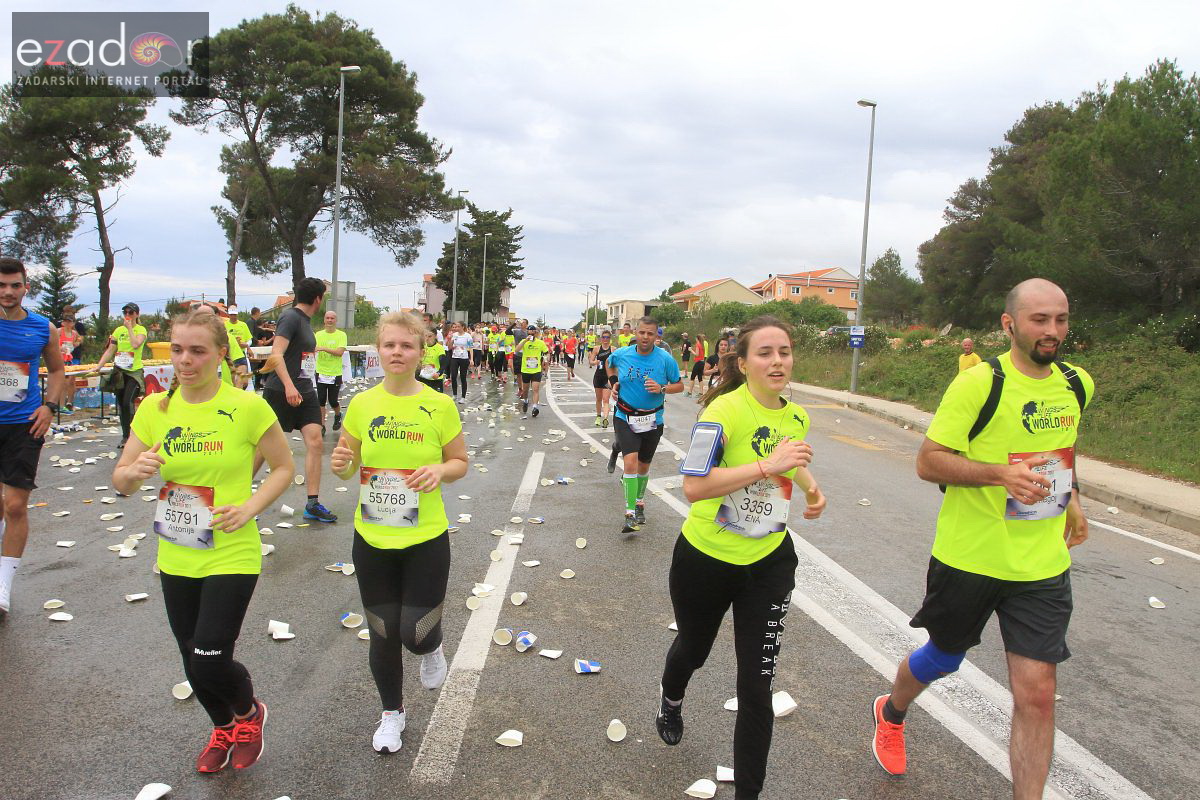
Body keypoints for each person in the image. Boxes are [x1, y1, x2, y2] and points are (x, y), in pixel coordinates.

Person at [870, 279, 1093, 800]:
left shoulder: (1077, 383)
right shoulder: (978, 383)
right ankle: (892, 710)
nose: (1052, 331)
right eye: (1040, 320)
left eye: (1060, 319)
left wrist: (1074, 497)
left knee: (1037, 695)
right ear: (1009, 324)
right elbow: (929, 461)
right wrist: (1000, 474)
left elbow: (1063, 446)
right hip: (969, 558)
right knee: (944, 658)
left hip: (1040, 563)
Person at [114, 309, 294, 773]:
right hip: (177, 552)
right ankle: (223, 727)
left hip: (231, 550)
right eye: (177, 350)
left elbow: (284, 467)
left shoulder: (247, 406)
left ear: (219, 355)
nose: (185, 360)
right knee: (191, 662)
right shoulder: (156, 409)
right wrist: (131, 474)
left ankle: (250, 714)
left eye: (197, 351)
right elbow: (122, 479)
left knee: (211, 656)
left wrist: (250, 507)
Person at [656, 315, 825, 800]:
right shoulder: (722, 414)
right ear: (744, 362)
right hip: (706, 559)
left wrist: (813, 491)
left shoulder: (796, 415)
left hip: (769, 562)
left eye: (785, 352)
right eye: (766, 353)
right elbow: (693, 487)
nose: (777, 362)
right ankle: (671, 700)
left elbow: (792, 459)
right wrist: (765, 466)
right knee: (694, 648)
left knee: (758, 685)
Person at [329, 311, 468, 754]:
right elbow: (350, 463)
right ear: (378, 351)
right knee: (383, 631)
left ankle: (432, 647)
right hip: (372, 539)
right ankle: (392, 713)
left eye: (406, 346)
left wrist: (439, 469)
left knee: (416, 632)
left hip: (425, 538)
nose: (396, 352)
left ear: (421, 352)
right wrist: (342, 464)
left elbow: (460, 462)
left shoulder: (439, 405)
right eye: (389, 345)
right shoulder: (363, 404)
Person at [0, 258, 66, 616]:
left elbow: (57, 370)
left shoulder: (43, 328)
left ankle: (3, 586)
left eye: (15, 285)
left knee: (14, 505)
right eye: (2, 285)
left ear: (26, 287)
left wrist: (49, 407)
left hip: (25, 424)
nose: (8, 292)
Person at [256, 277, 336, 523]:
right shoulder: (290, 318)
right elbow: (276, 354)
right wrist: (289, 386)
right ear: (317, 299)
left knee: (315, 442)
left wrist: (301, 386)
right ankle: (235, 497)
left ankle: (312, 503)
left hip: (305, 390)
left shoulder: (305, 321)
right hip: (282, 391)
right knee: (263, 448)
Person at [606, 317, 683, 532]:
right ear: (636, 333)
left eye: (650, 334)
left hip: (652, 420)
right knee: (630, 462)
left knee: (643, 465)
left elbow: (679, 385)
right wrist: (613, 384)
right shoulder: (622, 354)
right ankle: (630, 513)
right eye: (642, 333)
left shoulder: (665, 359)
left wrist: (662, 388)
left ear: (657, 336)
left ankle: (639, 503)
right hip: (625, 416)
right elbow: (608, 365)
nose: (645, 337)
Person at [94, 302, 148, 447]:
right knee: (121, 405)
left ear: (136, 314)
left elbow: (136, 344)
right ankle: (125, 436)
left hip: (134, 372)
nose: (127, 316)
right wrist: (98, 366)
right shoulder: (118, 330)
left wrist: (130, 328)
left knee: (127, 402)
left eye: (130, 313)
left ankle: (134, 435)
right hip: (119, 371)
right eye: (125, 313)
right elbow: (110, 350)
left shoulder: (141, 329)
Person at [315, 310, 348, 431]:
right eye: (327, 318)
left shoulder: (341, 335)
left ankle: (338, 414)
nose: (329, 320)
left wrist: (323, 348)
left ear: (336, 320)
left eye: (332, 318)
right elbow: (312, 348)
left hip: (335, 373)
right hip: (320, 371)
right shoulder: (318, 334)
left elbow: (339, 353)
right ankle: (322, 425)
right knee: (321, 400)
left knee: (333, 401)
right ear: (324, 320)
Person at [516, 325, 549, 419]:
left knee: (535, 389)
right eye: (529, 332)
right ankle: (526, 401)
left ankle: (535, 407)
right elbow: (517, 350)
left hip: (536, 370)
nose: (530, 334)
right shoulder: (524, 342)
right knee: (525, 390)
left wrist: (545, 361)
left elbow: (546, 352)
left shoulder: (540, 343)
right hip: (526, 370)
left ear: (536, 333)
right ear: (527, 333)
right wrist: (525, 340)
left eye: (532, 332)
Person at [223, 305, 253, 389]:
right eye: (231, 315)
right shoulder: (225, 325)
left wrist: (245, 344)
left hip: (241, 353)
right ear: (228, 315)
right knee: (232, 379)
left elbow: (250, 339)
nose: (233, 317)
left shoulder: (243, 325)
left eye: (235, 315)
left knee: (244, 381)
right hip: (229, 355)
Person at [590, 330, 614, 428]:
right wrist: (595, 362)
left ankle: (605, 419)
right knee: (599, 399)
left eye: (607, 337)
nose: (605, 339)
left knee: (606, 399)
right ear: (601, 338)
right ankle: (598, 416)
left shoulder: (613, 349)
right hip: (598, 377)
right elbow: (591, 361)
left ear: (610, 338)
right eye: (604, 337)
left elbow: (617, 363)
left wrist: (613, 377)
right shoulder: (596, 349)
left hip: (607, 378)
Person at [447, 322, 472, 404]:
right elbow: (449, 347)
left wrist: (471, 359)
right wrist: (450, 340)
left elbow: (470, 347)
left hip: (464, 358)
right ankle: (454, 395)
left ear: (463, 327)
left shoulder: (467, 336)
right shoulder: (455, 335)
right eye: (456, 326)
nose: (456, 328)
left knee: (462, 377)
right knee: (453, 376)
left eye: (458, 326)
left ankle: (463, 397)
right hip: (455, 357)